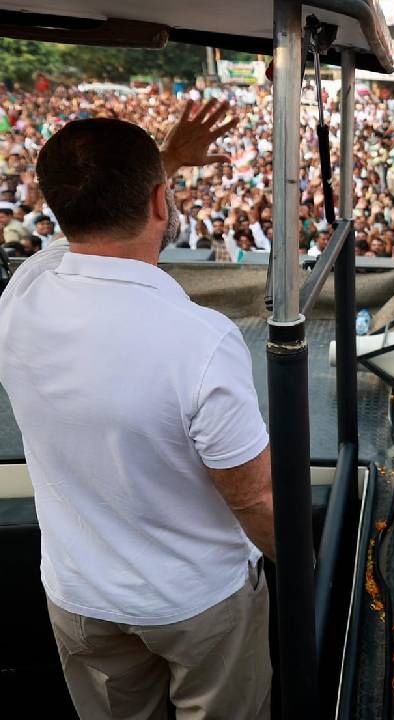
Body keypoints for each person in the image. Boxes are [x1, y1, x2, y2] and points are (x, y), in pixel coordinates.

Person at [0, 102, 275, 717]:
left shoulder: (24, 290)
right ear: (160, 202)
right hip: (195, 603)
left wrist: (166, 161)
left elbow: (78, 240)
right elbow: (255, 498)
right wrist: (314, 565)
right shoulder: (200, 341)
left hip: (78, 597)